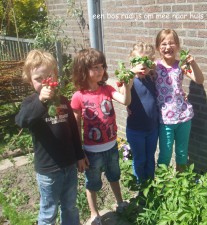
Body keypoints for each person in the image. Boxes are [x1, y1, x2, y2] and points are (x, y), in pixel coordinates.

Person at [15, 49, 87, 225]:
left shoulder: (62, 100)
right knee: (48, 212)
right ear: (29, 80)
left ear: (55, 75)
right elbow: (22, 121)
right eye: (38, 79)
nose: (45, 82)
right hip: (48, 170)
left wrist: (79, 155)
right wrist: (41, 101)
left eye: (48, 76)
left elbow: (72, 131)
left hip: (69, 166)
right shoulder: (31, 103)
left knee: (70, 206)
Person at [70, 48, 133, 225]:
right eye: (94, 67)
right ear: (83, 70)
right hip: (91, 151)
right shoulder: (78, 96)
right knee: (93, 183)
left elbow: (125, 101)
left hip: (112, 146)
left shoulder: (107, 89)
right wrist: (79, 154)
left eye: (101, 66)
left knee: (114, 176)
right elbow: (76, 127)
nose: (99, 71)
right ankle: (94, 213)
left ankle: (120, 202)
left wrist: (127, 86)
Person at [155, 29, 204, 172]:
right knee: (165, 154)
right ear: (158, 47)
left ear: (178, 46)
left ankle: (180, 183)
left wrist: (193, 63)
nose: (167, 47)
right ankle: (162, 186)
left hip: (184, 116)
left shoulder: (182, 65)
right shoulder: (154, 66)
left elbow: (199, 80)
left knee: (182, 154)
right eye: (163, 44)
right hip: (165, 119)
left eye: (171, 43)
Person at [124, 42, 159, 184]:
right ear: (131, 61)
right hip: (135, 129)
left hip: (152, 128)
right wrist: (131, 73)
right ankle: (140, 186)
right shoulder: (129, 80)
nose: (142, 66)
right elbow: (123, 95)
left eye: (145, 62)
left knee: (150, 158)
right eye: (137, 61)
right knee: (140, 159)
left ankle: (149, 185)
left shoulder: (153, 77)